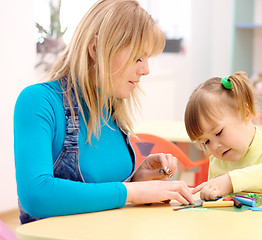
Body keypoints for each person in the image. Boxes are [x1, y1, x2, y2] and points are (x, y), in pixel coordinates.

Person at [14, 0, 193, 224]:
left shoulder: (112, 109)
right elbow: (37, 195)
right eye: (138, 57)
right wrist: (132, 193)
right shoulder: (39, 101)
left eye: (148, 59)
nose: (146, 70)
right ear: (96, 49)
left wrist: (137, 180)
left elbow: (104, 194)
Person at [184, 71, 262, 200]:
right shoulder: (217, 163)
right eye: (206, 142)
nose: (215, 146)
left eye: (219, 132)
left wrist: (232, 181)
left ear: (245, 113)